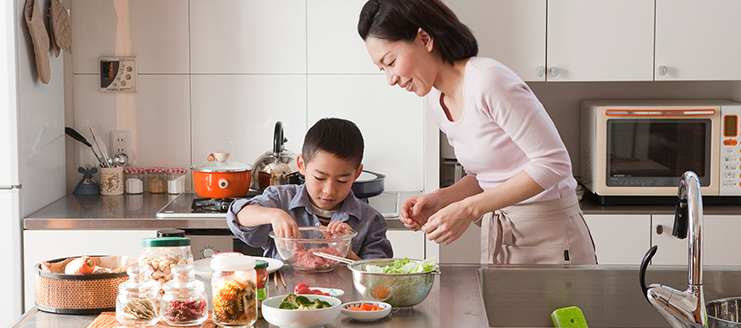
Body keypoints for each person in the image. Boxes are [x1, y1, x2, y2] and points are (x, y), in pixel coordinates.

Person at [357, 0, 596, 265]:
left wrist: (469, 208)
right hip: (507, 238)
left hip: (551, 238)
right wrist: (439, 199)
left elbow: (554, 164)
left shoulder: (488, 81)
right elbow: (486, 176)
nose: (390, 79)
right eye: (382, 69)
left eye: (390, 62)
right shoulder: (438, 100)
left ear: (425, 39)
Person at [227, 118, 394, 261]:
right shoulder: (281, 199)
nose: (329, 190)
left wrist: (346, 252)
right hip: (283, 297)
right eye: (320, 178)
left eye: (342, 180)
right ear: (302, 165)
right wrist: (274, 215)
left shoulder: (371, 221)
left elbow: (378, 276)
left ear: (357, 173)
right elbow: (237, 215)